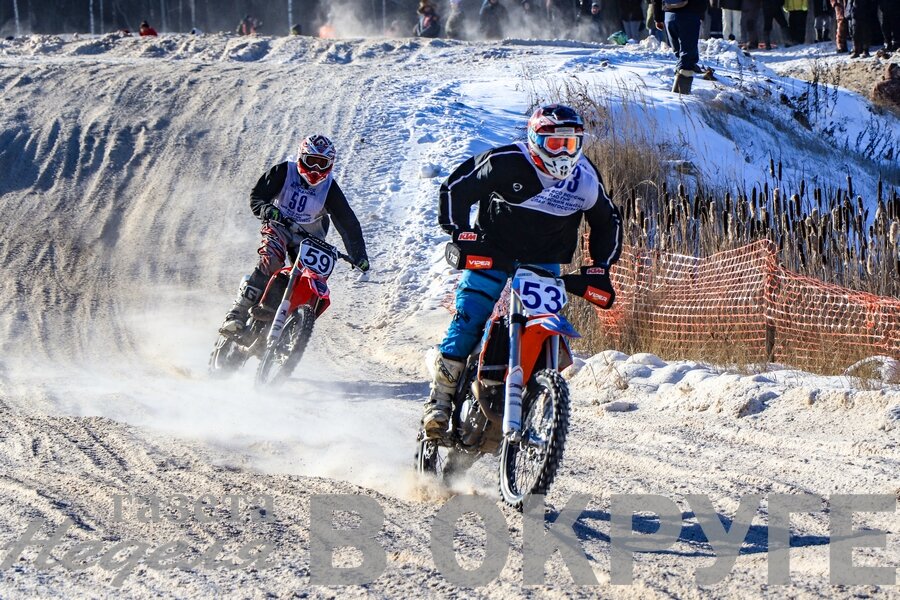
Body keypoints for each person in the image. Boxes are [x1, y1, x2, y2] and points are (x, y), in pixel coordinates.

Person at [422, 104, 623, 438]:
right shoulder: (506, 162)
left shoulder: (584, 178)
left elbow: (608, 220)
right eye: (554, 143)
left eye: (570, 144)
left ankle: (534, 390)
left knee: (546, 324)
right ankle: (440, 400)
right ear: (534, 139)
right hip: (493, 253)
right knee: (470, 315)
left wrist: (600, 267)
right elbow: (457, 187)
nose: (563, 152)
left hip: (543, 263)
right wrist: (459, 232)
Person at [219, 135, 370, 335]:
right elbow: (258, 196)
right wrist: (266, 209)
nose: (316, 169)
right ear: (301, 157)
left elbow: (347, 222)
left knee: (310, 278)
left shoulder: (329, 188)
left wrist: (359, 255)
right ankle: (236, 314)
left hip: (310, 237)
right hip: (279, 225)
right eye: (311, 161)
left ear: (330, 165)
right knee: (271, 260)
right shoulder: (284, 171)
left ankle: (291, 323)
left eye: (322, 164)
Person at [653, 0, 707, 93]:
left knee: (679, 54)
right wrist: (700, 10)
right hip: (689, 13)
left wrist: (658, 17)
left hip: (669, 14)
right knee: (687, 57)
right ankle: (681, 96)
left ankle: (682, 76)